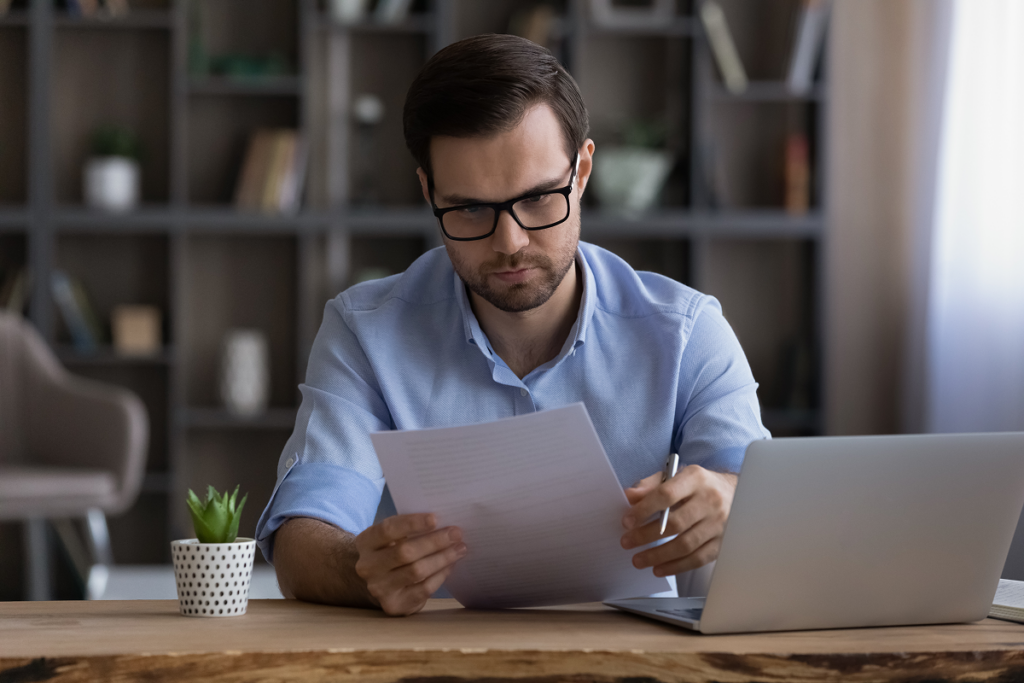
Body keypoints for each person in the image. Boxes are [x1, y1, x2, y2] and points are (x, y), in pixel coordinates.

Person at [256, 33, 769, 617]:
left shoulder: (687, 332)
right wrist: (360, 570)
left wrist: (729, 502)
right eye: (469, 208)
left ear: (581, 172)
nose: (510, 242)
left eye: (538, 199)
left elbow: (766, 510)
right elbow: (302, 541)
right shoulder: (365, 332)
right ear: (428, 191)